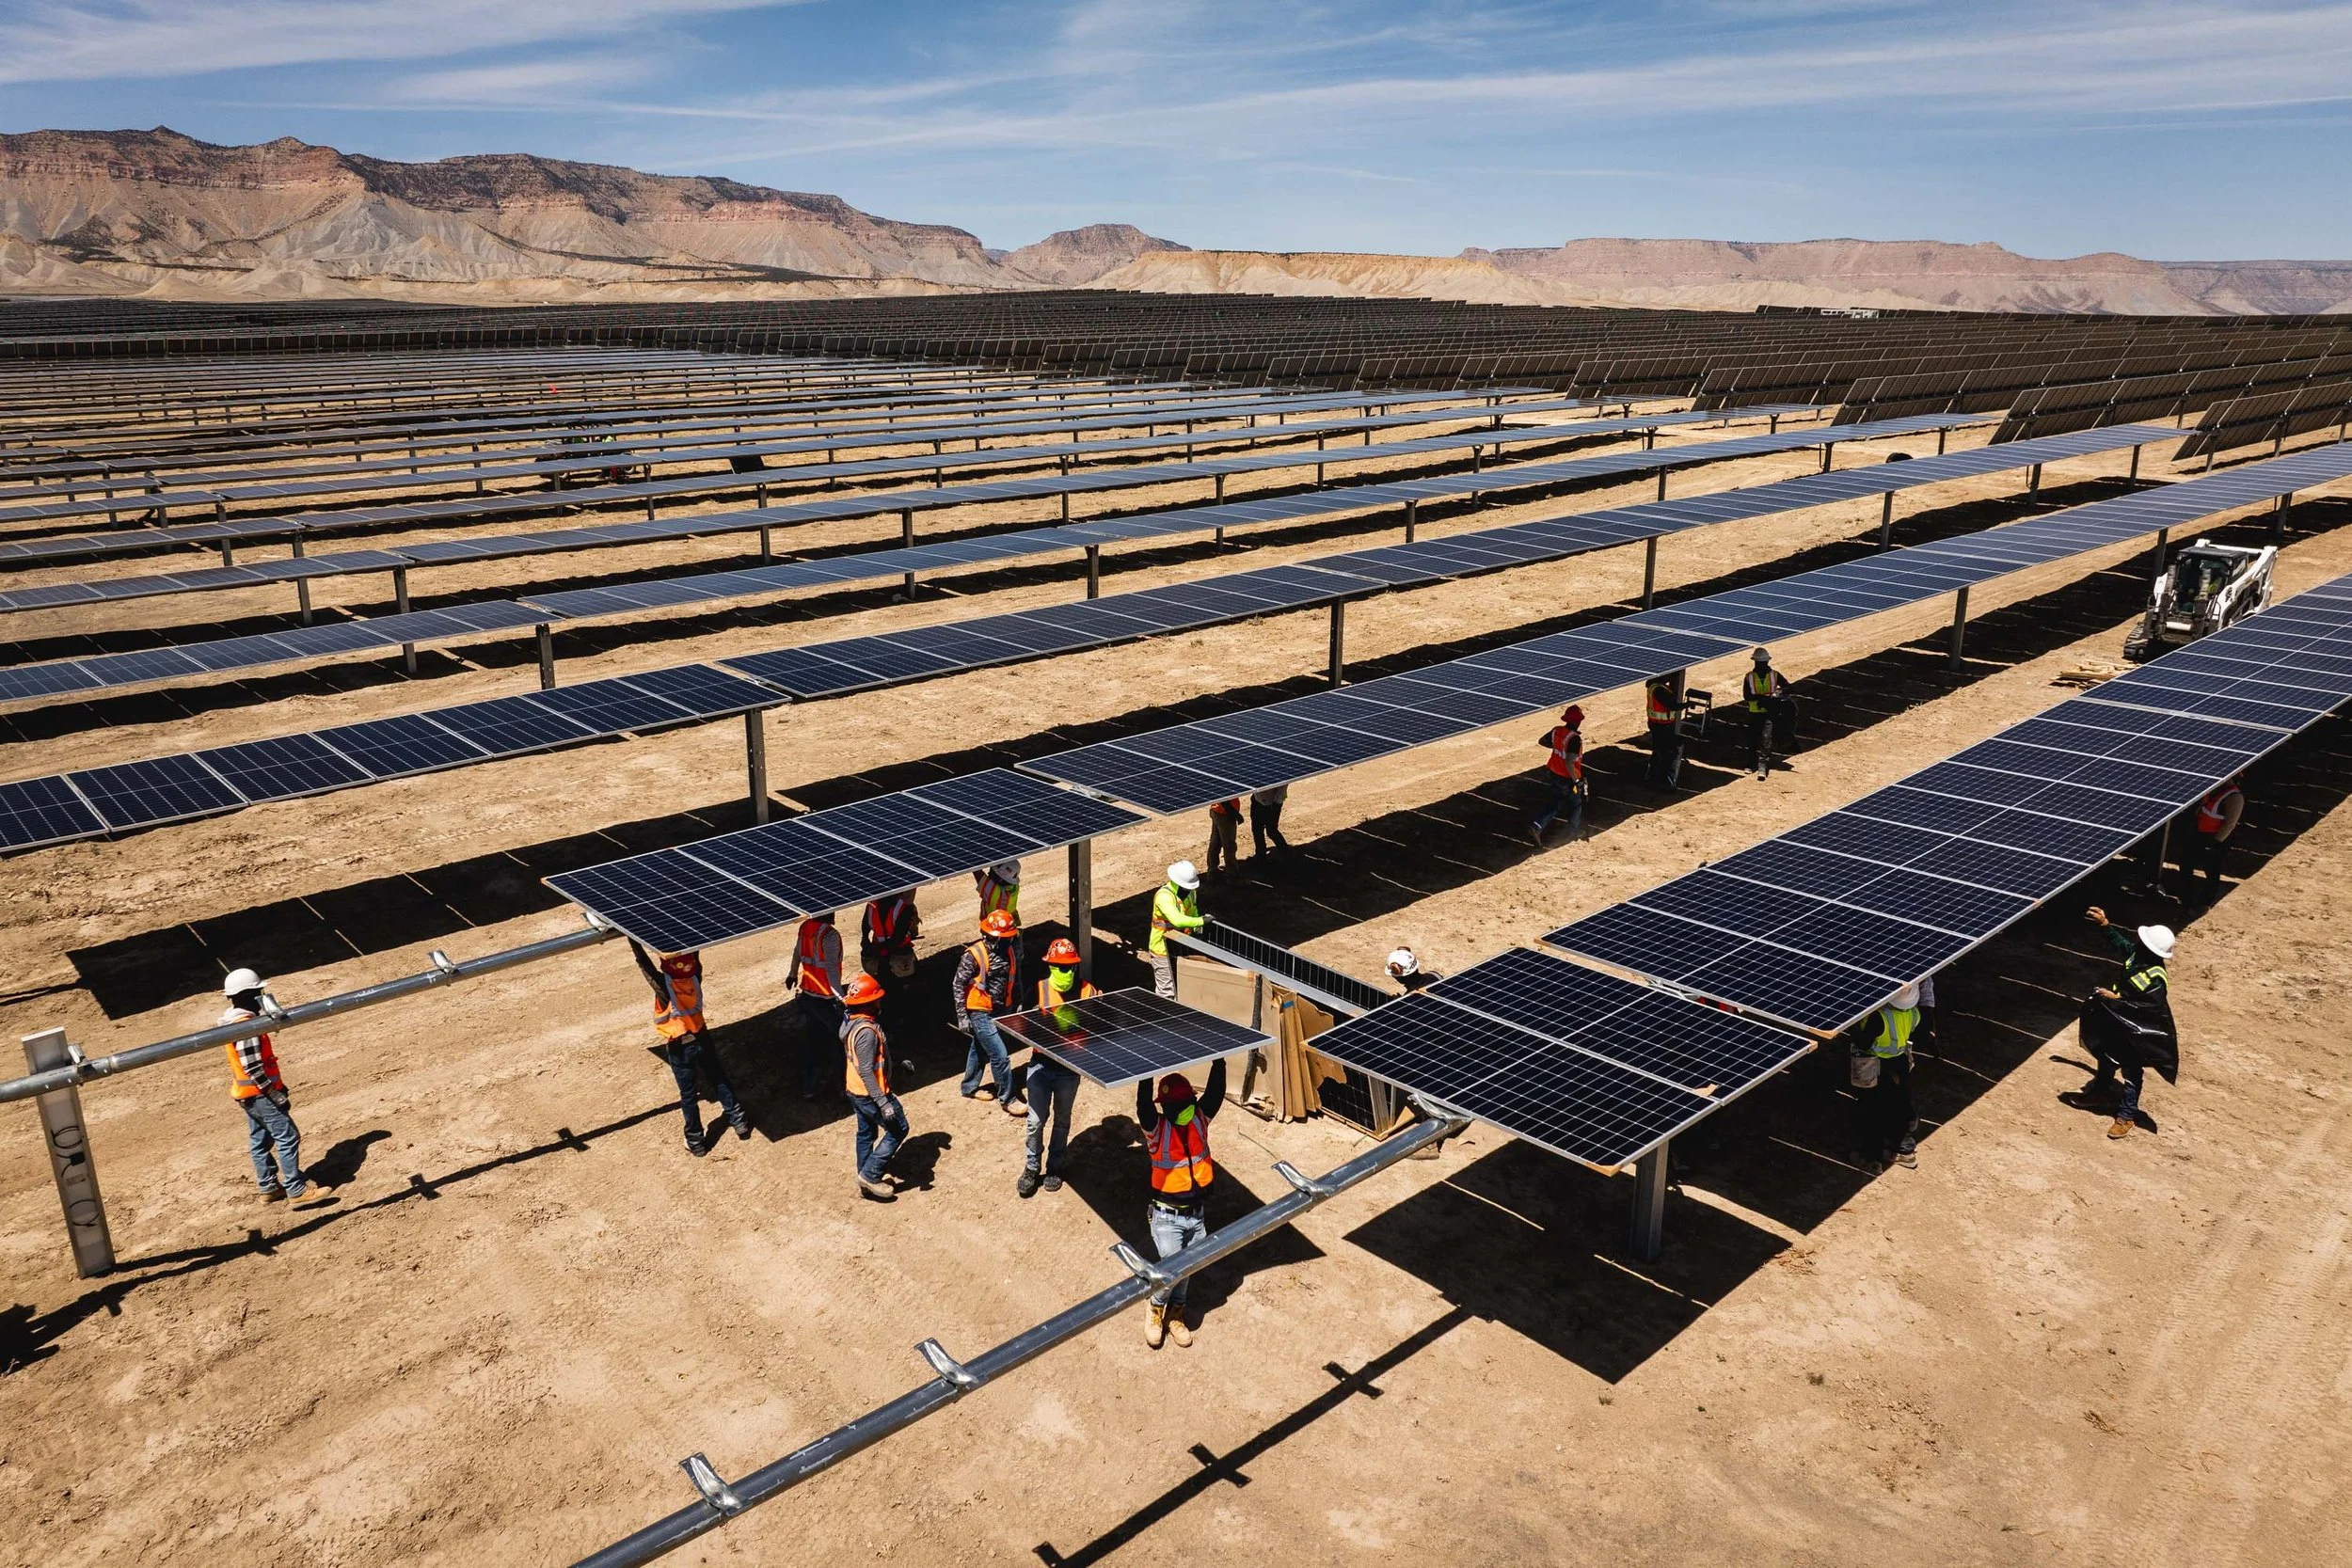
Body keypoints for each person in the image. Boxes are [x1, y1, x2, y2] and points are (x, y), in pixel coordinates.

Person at [1137, 1060, 1227, 1349]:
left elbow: (1214, 1094)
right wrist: (1144, 1072)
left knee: (1187, 1269)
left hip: (1196, 1215)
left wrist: (1220, 1061)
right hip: (1167, 1219)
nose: (1176, 1110)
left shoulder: (1199, 1120)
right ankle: (1155, 1308)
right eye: (1170, 1106)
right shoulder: (1156, 1131)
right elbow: (1143, 1109)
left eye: (1181, 1103)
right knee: (1171, 1271)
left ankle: (1176, 1313)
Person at [631, 940, 749, 1157]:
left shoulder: (664, 987)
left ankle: (696, 1141)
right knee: (718, 1077)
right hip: (701, 1037)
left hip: (679, 1046)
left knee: (688, 1095)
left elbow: (644, 966)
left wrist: (632, 939)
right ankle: (739, 1120)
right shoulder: (695, 978)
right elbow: (695, 958)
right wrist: (692, 938)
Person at [2075, 909, 2179, 1139]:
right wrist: (2105, 925)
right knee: (2107, 1056)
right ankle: (2100, 1093)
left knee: (2131, 1071)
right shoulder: (2137, 955)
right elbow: (2121, 945)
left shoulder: (2156, 977)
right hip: (2117, 1020)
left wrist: (2117, 999)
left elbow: (2149, 1008)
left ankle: (2127, 1115)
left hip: (2135, 1032)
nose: (2137, 941)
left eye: (2143, 940)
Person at [220, 968, 309, 1202]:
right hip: (260, 1094)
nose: (262, 995)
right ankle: (296, 1190)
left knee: (260, 1140)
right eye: (259, 992)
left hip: (247, 1094)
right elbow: (252, 1066)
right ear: (248, 995)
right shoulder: (246, 1026)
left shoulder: (235, 1021)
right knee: (287, 1136)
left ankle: (268, 1187)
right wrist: (273, 1092)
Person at [1020, 938, 1097, 1198]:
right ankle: (1032, 1168)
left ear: (1075, 967)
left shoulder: (1089, 991)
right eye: (1057, 966)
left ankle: (1054, 1167)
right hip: (1040, 1066)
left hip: (1069, 1069)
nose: (1063, 972)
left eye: (1067, 967)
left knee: (1062, 1121)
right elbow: (1021, 1024)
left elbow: (1102, 1025)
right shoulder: (1038, 990)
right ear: (1050, 965)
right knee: (1035, 1122)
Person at [954, 908, 1026, 1112]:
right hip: (980, 1011)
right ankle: (1008, 1099)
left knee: (979, 1047)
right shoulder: (973, 955)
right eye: (1001, 938)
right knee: (1000, 1055)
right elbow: (958, 985)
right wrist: (962, 1016)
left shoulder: (1011, 950)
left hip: (1003, 1008)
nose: (1005, 942)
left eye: (1008, 938)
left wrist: (1018, 1003)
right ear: (988, 936)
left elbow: (1016, 977)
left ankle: (969, 1087)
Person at [840, 973, 905, 1200]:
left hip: (855, 1090)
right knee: (899, 1129)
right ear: (868, 1004)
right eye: (877, 999)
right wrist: (883, 1102)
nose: (880, 1003)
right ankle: (870, 1175)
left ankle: (864, 1177)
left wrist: (894, 1063)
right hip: (870, 1093)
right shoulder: (866, 1032)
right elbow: (867, 1070)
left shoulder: (851, 1022)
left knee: (866, 1133)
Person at [1851, 982, 1922, 1171]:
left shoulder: (1879, 1016)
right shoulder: (1913, 1014)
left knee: (1872, 1111)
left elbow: (1864, 1042)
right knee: (1899, 1106)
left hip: (1877, 1066)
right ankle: (1905, 1151)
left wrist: (1853, 1028)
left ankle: (1870, 1157)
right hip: (1899, 1064)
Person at [786, 911, 845, 1101]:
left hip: (808, 996)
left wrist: (792, 974)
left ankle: (809, 1086)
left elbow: (797, 952)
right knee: (843, 1040)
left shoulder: (805, 928)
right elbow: (830, 969)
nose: (835, 913)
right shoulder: (830, 935)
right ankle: (845, 1085)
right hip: (826, 1000)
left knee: (814, 1041)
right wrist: (842, 998)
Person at [1530, 703, 1587, 846]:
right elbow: (1569, 763)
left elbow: (1542, 741)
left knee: (1555, 802)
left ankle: (1537, 826)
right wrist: (1576, 781)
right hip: (1566, 777)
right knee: (1576, 803)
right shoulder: (1574, 739)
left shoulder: (1557, 731)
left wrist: (1556, 746)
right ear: (1577, 721)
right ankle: (1572, 832)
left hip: (1553, 772)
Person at [1148, 861, 1204, 998]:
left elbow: (1193, 909)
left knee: (1183, 985)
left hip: (1181, 946)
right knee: (1167, 992)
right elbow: (1177, 920)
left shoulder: (1191, 892)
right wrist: (1201, 920)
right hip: (1162, 949)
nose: (1189, 890)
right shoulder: (1164, 897)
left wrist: (1197, 926)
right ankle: (1166, 1017)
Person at [2182, 776, 2244, 898]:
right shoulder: (2212, 790)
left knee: (2211, 870)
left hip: (2214, 839)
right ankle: (2186, 893)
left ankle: (2206, 900)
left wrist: (2215, 842)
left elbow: (2230, 824)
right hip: (2199, 833)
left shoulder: (2235, 797)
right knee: (2186, 862)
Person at [1743, 647, 1791, 776]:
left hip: (1770, 712)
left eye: (1762, 663)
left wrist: (1777, 693)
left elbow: (1788, 687)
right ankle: (1750, 764)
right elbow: (1747, 696)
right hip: (1755, 712)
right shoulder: (1749, 677)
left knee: (1766, 738)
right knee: (1753, 738)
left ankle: (1762, 766)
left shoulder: (1774, 675)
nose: (1761, 665)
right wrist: (1762, 698)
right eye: (1759, 663)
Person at [861, 890, 921, 983]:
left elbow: (898, 938)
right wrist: (865, 941)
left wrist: (877, 948)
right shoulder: (872, 906)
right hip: (881, 952)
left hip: (899, 951)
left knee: (904, 977)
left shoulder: (903, 908)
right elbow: (865, 925)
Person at [1644, 673, 1685, 789]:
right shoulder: (1659, 690)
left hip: (1657, 724)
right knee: (1668, 753)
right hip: (1661, 726)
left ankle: (1652, 777)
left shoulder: (1654, 686)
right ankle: (1665, 781)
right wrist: (1685, 705)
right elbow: (1671, 705)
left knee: (1659, 751)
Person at [1249, 785, 1292, 858]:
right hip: (1257, 800)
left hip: (1272, 803)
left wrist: (1276, 805)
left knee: (1271, 831)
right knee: (1257, 829)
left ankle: (1286, 853)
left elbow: (1283, 787)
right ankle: (1260, 854)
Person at [975, 861, 1021, 925]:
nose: (988, 873)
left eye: (992, 873)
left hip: (993, 927)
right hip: (1010, 924)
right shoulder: (1014, 887)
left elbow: (976, 870)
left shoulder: (994, 892)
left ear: (1000, 879)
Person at [1205, 798, 1242, 876]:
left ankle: (1212, 871)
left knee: (1215, 843)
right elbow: (1224, 800)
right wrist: (1236, 814)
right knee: (1229, 846)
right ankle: (1232, 874)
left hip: (1217, 811)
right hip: (1225, 815)